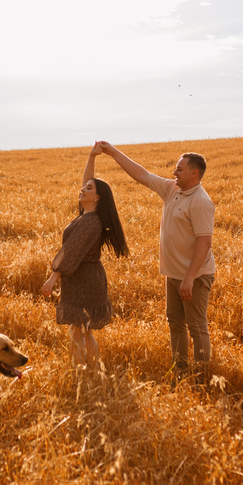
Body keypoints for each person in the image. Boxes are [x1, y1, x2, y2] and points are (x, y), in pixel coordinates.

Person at [96, 142, 215, 376]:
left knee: (196, 326)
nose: (174, 172)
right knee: (175, 323)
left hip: (195, 277)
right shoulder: (172, 189)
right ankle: (180, 370)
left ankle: (203, 376)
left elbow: (205, 243)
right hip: (173, 274)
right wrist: (112, 153)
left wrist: (189, 279)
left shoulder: (201, 202)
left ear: (195, 173)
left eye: (179, 169)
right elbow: (142, 174)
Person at [41, 144, 129, 368]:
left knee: (79, 332)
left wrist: (53, 278)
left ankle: (82, 372)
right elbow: (88, 180)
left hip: (84, 280)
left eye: (88, 189)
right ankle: (91, 371)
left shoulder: (90, 222)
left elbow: (71, 251)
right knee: (84, 331)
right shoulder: (89, 215)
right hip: (86, 278)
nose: (82, 190)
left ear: (97, 197)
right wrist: (91, 156)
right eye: (84, 188)